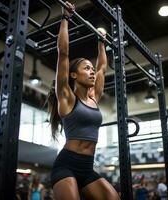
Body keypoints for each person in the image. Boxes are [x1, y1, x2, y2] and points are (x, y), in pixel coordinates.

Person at [46, 1, 120, 200]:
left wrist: (101, 42)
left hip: (87, 167)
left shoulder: (94, 97)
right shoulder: (67, 97)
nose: (92, 72)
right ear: (73, 75)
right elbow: (63, 54)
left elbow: (103, 67)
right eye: (86, 68)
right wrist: (65, 18)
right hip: (66, 165)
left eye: (91, 68)